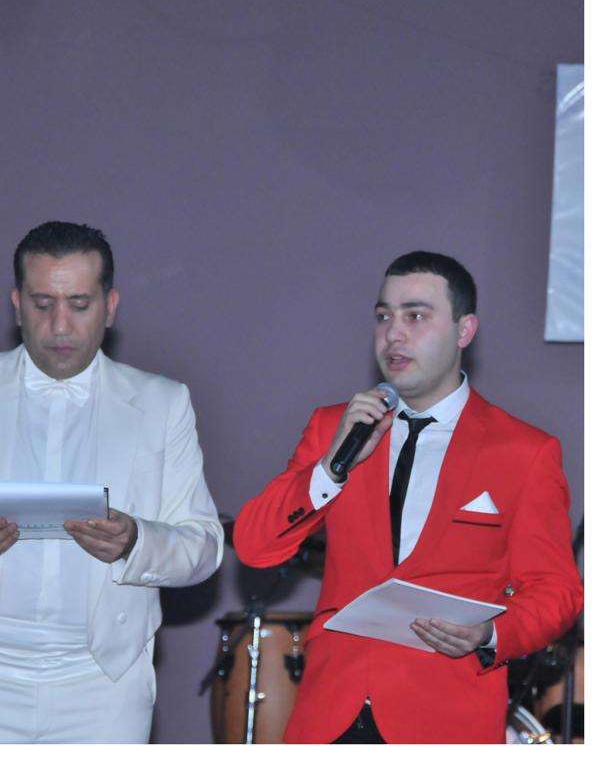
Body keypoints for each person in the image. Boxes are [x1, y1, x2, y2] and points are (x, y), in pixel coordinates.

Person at [0, 221, 224, 743]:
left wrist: (136, 541)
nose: (60, 326)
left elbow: (204, 546)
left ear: (110, 306)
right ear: (17, 305)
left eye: (79, 305)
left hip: (104, 686)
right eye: (42, 304)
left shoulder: (162, 403)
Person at [233, 251, 582, 744]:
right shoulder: (336, 428)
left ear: (464, 331)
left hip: (446, 716)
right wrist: (330, 467)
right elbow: (254, 546)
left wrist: (490, 635)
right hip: (331, 711)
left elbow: (556, 591)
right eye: (383, 316)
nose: (393, 334)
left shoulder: (523, 451)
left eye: (415, 316)